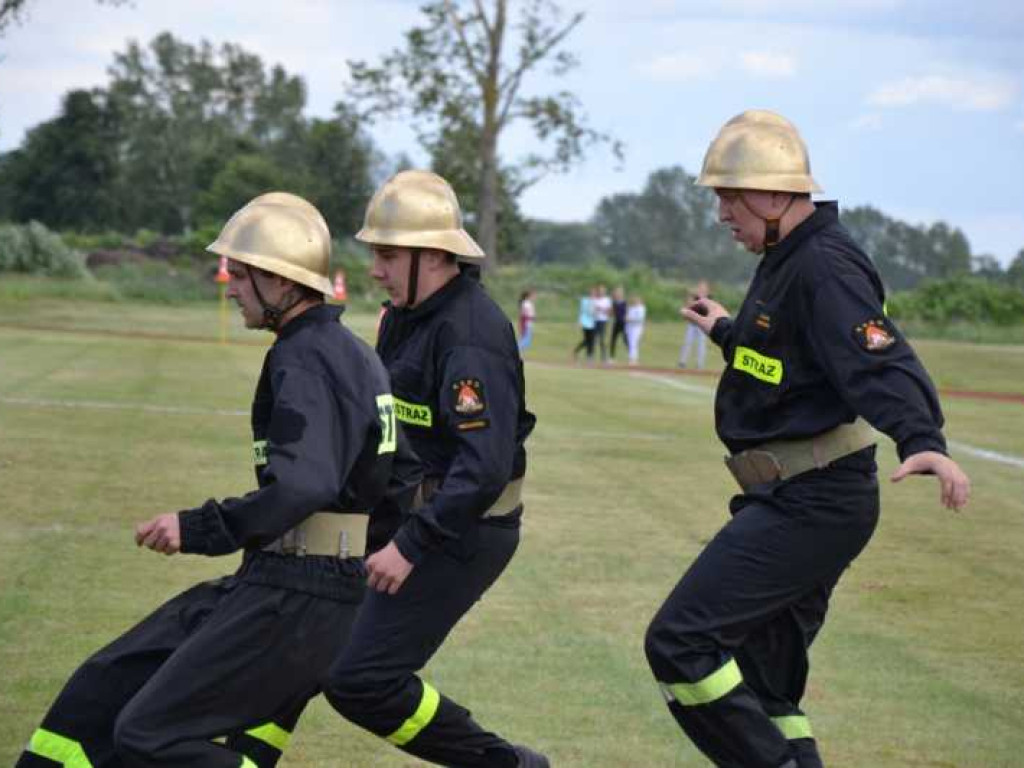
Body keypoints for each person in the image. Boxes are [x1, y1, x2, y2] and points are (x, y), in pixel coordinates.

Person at [15, 193, 415, 768]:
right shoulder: (356, 355)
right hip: (293, 580)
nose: (229, 286)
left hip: (297, 592)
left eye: (242, 273)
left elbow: (304, 485)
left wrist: (198, 527)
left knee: (148, 734)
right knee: (105, 683)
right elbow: (401, 479)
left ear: (280, 281)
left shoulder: (301, 358)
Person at [644, 110, 971, 768]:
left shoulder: (823, 265)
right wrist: (725, 331)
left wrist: (921, 437)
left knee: (680, 642)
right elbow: (786, 362)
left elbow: (875, 356)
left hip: (815, 503)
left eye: (726, 198)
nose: (720, 215)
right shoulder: (785, 257)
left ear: (770, 194)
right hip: (798, 498)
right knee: (767, 691)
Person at [322, 170, 547, 768]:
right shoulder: (405, 316)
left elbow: (484, 468)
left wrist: (411, 546)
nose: (375, 269)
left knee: (360, 680)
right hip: (408, 516)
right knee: (306, 635)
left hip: (462, 530)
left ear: (434, 256)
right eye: (376, 253)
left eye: (388, 255)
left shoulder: (469, 335)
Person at [678, 279, 710, 369]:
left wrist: (701, 297)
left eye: (703, 287)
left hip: (702, 325)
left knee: (701, 345)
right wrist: (690, 296)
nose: (701, 288)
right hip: (692, 324)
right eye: (700, 287)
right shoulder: (694, 297)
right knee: (687, 342)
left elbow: (707, 308)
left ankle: (700, 364)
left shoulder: (709, 298)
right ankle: (682, 362)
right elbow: (688, 305)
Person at [573, 286, 597, 362]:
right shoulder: (584, 301)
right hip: (585, 323)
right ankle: (586, 355)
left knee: (591, 340)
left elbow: (594, 313)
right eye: (591, 293)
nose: (592, 294)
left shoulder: (595, 302)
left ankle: (588, 355)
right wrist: (579, 322)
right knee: (587, 340)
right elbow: (581, 312)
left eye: (594, 293)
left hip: (592, 323)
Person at [592, 283, 613, 362]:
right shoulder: (594, 299)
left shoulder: (607, 300)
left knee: (602, 338)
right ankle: (591, 356)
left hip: (602, 321)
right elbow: (592, 310)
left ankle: (604, 356)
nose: (601, 292)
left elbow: (609, 312)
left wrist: (601, 309)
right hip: (594, 321)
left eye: (602, 291)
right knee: (593, 339)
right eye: (599, 291)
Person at [624, 294, 647, 365]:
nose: (635, 301)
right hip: (629, 328)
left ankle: (632, 359)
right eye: (634, 299)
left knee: (633, 343)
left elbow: (640, 319)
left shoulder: (641, 308)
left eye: (637, 299)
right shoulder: (632, 308)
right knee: (631, 343)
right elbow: (627, 316)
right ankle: (634, 359)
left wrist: (630, 319)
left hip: (636, 328)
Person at [609, 285, 628, 360]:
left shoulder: (624, 302)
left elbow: (627, 312)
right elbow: (612, 313)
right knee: (613, 339)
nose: (617, 294)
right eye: (616, 293)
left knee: (625, 339)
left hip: (623, 323)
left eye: (619, 293)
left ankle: (631, 356)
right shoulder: (614, 302)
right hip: (616, 322)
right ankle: (611, 357)